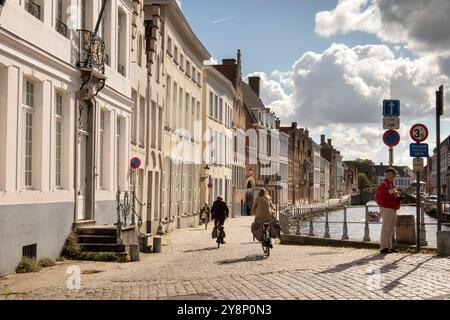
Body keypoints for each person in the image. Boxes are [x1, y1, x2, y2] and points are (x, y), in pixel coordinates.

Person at [375, 168, 402, 254]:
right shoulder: (384, 185)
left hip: (392, 208)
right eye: (392, 174)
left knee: (390, 228)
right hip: (386, 208)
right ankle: (384, 247)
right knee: (386, 228)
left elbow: (390, 195)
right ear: (388, 175)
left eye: (394, 174)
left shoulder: (390, 184)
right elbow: (383, 197)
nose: (393, 176)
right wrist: (394, 196)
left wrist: (398, 198)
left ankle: (389, 246)